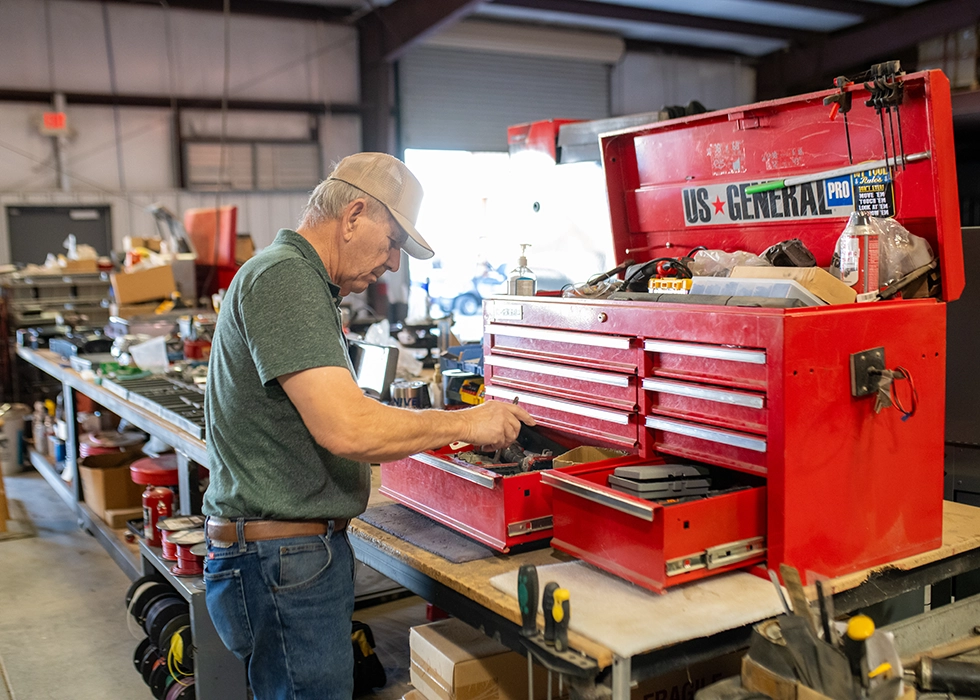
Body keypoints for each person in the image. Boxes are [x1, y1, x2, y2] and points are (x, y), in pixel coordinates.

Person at [202, 152, 533, 700]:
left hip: (280, 558)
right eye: (395, 242)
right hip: (282, 562)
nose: (395, 264)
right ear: (354, 214)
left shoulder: (294, 279)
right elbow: (349, 429)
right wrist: (468, 422)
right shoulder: (286, 277)